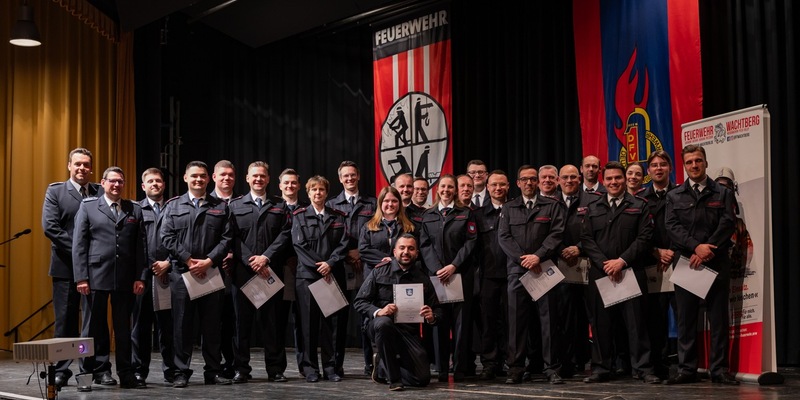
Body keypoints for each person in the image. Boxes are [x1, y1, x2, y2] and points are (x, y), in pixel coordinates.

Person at [580, 162, 660, 384]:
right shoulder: (593, 207)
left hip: (630, 272)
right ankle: (601, 368)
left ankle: (643, 368)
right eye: (609, 179)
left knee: (637, 323)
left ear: (625, 180)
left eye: (618, 178)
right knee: (601, 324)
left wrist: (622, 261)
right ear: (603, 181)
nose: (614, 182)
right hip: (601, 273)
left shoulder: (640, 205)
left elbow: (644, 238)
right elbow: (586, 239)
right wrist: (606, 263)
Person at [665, 145, 739, 385]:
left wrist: (707, 248)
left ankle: (719, 370)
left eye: (698, 161)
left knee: (718, 319)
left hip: (716, 261)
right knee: (686, 320)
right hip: (687, 262)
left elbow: (727, 222)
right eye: (689, 162)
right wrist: (696, 246)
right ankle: (687, 369)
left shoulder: (723, 193)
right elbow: (672, 227)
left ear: (706, 163)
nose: (694, 165)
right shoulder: (674, 195)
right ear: (684, 166)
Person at [160, 161, 234, 388]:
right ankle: (181, 372)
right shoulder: (173, 206)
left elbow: (227, 238)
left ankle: (213, 371)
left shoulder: (221, 207)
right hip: (183, 274)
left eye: (202, 176)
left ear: (208, 179)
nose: (198, 180)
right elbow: (167, 236)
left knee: (212, 327)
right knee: (182, 326)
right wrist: (189, 260)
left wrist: (209, 261)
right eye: (194, 176)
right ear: (185, 178)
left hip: (211, 273)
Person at [72, 166, 146, 390]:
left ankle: (126, 374)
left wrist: (140, 277)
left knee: (123, 329)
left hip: (124, 279)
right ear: (102, 183)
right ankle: (85, 375)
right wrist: (81, 278)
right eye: (112, 181)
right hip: (94, 277)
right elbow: (79, 244)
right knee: (90, 330)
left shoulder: (134, 209)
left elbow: (140, 248)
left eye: (120, 182)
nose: (116, 185)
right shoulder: (88, 207)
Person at [497, 165, 566, 385]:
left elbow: (557, 234)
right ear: (517, 183)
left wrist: (538, 256)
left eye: (532, 180)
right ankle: (516, 368)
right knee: (516, 322)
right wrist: (523, 259)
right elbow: (504, 238)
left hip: (544, 268)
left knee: (549, 321)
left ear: (537, 182)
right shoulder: (509, 208)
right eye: (524, 180)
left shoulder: (552, 206)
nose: (529, 183)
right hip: (517, 272)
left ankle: (551, 368)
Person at [41, 147, 103, 389]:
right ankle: (62, 370)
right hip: (66, 267)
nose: (82, 168)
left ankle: (90, 370)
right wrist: (82, 253)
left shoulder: (100, 191)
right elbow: (51, 228)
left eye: (86, 164)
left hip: (96, 269)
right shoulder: (56, 191)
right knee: (65, 322)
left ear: (91, 168)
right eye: (77, 164)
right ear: (69, 166)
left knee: (91, 322)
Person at [228, 161, 292, 383]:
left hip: (269, 272)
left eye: (262, 176)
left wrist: (265, 258)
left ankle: (275, 369)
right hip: (243, 274)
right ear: (247, 178)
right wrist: (249, 260)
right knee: (241, 325)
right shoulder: (234, 206)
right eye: (254, 176)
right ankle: (241, 370)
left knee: (272, 325)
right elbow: (231, 238)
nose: (258, 179)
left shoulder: (280, 206)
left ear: (268, 179)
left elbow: (285, 236)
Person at [354, 234, 442, 391]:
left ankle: (382, 367)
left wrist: (432, 316)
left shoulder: (422, 277)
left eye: (411, 248)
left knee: (422, 379)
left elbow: (437, 309)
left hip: (407, 332)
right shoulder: (379, 272)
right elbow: (359, 301)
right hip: (380, 327)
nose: (406, 252)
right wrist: (379, 311)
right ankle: (394, 380)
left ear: (417, 253)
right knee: (384, 323)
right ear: (394, 252)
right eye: (402, 248)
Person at [419, 174, 478, 382]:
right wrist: (437, 269)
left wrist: (453, 266)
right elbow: (424, 245)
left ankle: (460, 369)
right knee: (439, 323)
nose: (446, 190)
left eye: (450, 187)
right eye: (443, 186)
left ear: (455, 190)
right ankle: (442, 370)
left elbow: (471, 243)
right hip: (437, 279)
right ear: (438, 189)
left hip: (460, 276)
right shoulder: (428, 215)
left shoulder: (466, 213)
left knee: (461, 326)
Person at [293, 176, 350, 382]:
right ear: (307, 193)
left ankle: (330, 368)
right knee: (308, 325)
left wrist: (331, 263)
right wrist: (321, 265)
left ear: (327, 193)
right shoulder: (299, 216)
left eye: (321, 190)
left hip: (332, 276)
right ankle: (310, 369)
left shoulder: (339, 216)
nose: (318, 193)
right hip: (308, 278)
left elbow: (343, 244)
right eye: (314, 190)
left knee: (332, 326)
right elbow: (299, 246)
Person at [357, 187, 416, 382]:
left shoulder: (408, 227)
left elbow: (415, 250)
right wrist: (390, 259)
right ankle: (371, 364)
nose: (390, 205)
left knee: (401, 322)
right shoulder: (368, 226)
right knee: (373, 320)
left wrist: (396, 261)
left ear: (399, 204)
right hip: (376, 279)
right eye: (386, 201)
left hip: (402, 280)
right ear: (380, 204)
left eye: (394, 201)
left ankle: (396, 362)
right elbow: (363, 251)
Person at [326, 161, 377, 376]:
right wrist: (347, 253)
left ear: (358, 177)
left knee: (367, 316)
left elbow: (377, 232)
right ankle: (336, 365)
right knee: (338, 318)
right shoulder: (330, 204)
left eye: (353, 175)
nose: (349, 179)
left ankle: (371, 364)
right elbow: (329, 238)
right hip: (339, 266)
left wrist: (360, 253)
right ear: (340, 178)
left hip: (366, 268)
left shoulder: (373, 204)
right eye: (345, 176)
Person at [132, 167, 178, 385]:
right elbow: (132, 244)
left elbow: (180, 240)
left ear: (164, 185)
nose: (155, 184)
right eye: (150, 181)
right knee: (140, 327)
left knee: (168, 327)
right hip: (143, 277)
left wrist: (168, 263)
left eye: (158, 181)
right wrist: (144, 269)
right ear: (143, 186)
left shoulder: (174, 208)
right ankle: (139, 371)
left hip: (168, 275)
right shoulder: (134, 210)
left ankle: (171, 371)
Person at [555, 164, 599, 377]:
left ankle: (597, 363)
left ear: (580, 179)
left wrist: (579, 248)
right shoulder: (550, 202)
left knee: (594, 315)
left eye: (573, 177)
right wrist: (561, 249)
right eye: (565, 177)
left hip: (588, 264)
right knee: (566, 317)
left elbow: (597, 231)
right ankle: (569, 363)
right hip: (562, 265)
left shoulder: (592, 200)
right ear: (558, 180)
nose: (569, 180)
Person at [639, 151, 678, 379]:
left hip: (680, 261)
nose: (659, 168)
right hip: (653, 264)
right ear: (648, 171)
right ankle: (659, 365)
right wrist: (656, 252)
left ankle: (688, 366)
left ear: (670, 168)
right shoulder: (641, 199)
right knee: (655, 318)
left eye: (663, 164)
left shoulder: (681, 194)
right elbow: (640, 233)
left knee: (685, 316)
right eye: (654, 165)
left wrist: (672, 251)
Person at [474, 170, 510, 380]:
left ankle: (509, 360)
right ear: (487, 187)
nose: (498, 188)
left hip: (513, 275)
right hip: (487, 276)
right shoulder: (478, 214)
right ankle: (489, 363)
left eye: (502, 185)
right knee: (488, 322)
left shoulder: (515, 209)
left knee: (510, 322)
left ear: (508, 187)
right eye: (494, 185)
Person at [276, 168, 310, 375]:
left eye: (293, 183)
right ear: (280, 185)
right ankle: (278, 368)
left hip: (303, 269)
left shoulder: (308, 209)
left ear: (299, 185)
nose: (289, 186)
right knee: (278, 321)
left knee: (303, 321)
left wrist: (299, 259)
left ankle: (305, 366)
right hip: (279, 270)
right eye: (286, 183)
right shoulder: (274, 208)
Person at [210, 160, 238, 379]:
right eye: (222, 175)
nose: (226, 178)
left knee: (232, 321)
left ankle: (232, 364)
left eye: (230, 175)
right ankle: (214, 366)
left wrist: (233, 254)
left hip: (235, 272)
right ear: (214, 177)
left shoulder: (240, 203)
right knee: (212, 322)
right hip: (208, 270)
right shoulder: (206, 202)